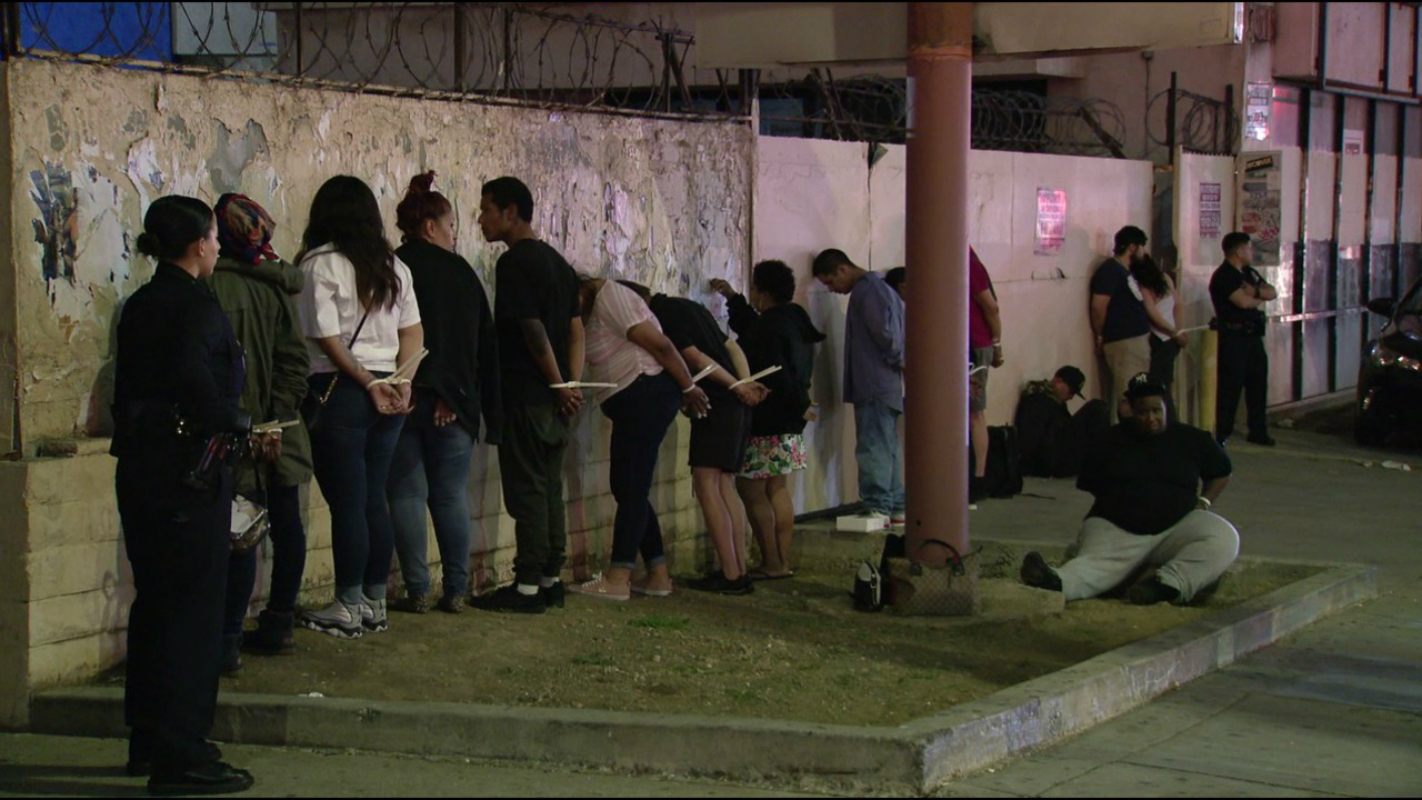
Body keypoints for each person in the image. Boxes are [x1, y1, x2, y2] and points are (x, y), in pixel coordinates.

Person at [112, 195, 255, 793]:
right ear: (198, 243)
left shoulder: (141, 304)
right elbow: (197, 382)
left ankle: (149, 737)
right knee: (193, 611)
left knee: (155, 604)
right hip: (188, 472)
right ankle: (182, 752)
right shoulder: (196, 307)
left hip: (143, 471)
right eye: (216, 236)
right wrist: (238, 422)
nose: (220, 245)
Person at [296, 176, 424, 639]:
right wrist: (401, 381)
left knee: (347, 501)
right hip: (386, 388)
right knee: (373, 498)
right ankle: (374, 600)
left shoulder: (319, 265)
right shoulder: (393, 266)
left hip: (342, 390)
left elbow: (325, 339)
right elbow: (413, 331)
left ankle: (347, 603)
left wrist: (368, 382)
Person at [387, 172, 502, 615]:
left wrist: (410, 387)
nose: (456, 234)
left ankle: (416, 589)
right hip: (451, 403)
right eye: (452, 225)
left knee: (405, 493)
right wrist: (456, 398)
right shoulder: (460, 273)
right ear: (431, 226)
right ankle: (456, 588)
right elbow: (473, 342)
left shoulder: (392, 267)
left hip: (400, 397)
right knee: (451, 495)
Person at [1019, 373, 1238, 606]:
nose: (1151, 418)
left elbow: (1222, 471)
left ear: (1166, 408)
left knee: (1223, 537)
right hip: (1117, 528)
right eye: (1143, 412)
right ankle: (1052, 580)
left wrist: (1204, 502)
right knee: (1093, 569)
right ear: (1131, 411)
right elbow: (1089, 481)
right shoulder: (1109, 440)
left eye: (1157, 411)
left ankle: (1167, 585)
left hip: (1177, 524)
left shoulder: (1191, 438)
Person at [207, 194, 312, 672]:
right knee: (287, 525)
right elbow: (296, 359)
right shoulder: (276, 287)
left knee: (239, 532)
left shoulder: (209, 288)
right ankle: (281, 620)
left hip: (231, 431)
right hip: (280, 428)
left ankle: (226, 642)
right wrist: (279, 413)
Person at [471, 177, 583, 614]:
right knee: (549, 487)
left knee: (528, 492)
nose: (481, 219)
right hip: (556, 400)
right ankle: (551, 579)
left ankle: (528, 587)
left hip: (528, 395)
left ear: (510, 212)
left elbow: (532, 328)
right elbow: (575, 329)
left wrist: (557, 383)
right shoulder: (559, 263)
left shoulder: (515, 263)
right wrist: (569, 386)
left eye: (486, 210)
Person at [566, 277, 712, 601]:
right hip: (637, 399)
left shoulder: (609, 297)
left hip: (645, 392)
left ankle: (619, 576)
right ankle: (658, 574)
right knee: (628, 486)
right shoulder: (592, 309)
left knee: (631, 487)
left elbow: (660, 345)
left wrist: (689, 387)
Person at [623, 281, 769, 594]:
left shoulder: (663, 316)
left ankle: (730, 574)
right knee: (724, 484)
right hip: (733, 404)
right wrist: (743, 382)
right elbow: (731, 346)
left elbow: (694, 356)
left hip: (717, 402)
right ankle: (738, 571)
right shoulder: (688, 306)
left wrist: (736, 387)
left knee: (707, 484)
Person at [713, 263, 825, 581]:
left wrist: (799, 405)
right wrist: (734, 299)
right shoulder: (793, 320)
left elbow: (775, 366)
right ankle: (782, 560)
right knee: (777, 489)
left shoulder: (770, 328)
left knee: (752, 491)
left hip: (768, 418)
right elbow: (757, 328)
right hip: (790, 422)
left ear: (762, 291)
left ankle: (771, 562)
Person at [812, 249, 906, 525]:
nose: (832, 290)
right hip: (884, 384)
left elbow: (887, 336)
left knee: (873, 446)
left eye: (830, 282)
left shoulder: (868, 292)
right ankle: (895, 504)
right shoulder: (882, 289)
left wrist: (900, 360)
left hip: (874, 383)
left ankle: (877, 504)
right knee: (888, 446)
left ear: (843, 269)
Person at [1210, 232, 1277, 447]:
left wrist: (1256, 291)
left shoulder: (1249, 272)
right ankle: (1223, 432)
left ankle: (1257, 430)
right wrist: (1259, 296)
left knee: (1258, 385)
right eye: (1249, 248)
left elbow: (1272, 292)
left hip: (1253, 337)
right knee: (1230, 387)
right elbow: (1243, 302)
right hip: (1233, 338)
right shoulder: (1224, 276)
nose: (1252, 252)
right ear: (1238, 251)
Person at [1090, 226, 1153, 420]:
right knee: (1127, 393)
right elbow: (1098, 306)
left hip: (1136, 340)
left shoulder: (1125, 271)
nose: (1145, 252)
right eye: (1142, 246)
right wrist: (1100, 334)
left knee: (1138, 391)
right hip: (1124, 341)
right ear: (1132, 247)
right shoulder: (1110, 270)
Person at [966, 248, 1005, 501]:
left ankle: (978, 477)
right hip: (969, 342)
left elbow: (991, 306)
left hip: (975, 344)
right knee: (971, 412)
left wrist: (996, 342)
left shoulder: (969, 265)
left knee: (974, 412)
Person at [1133, 253, 1189, 419]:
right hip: (1172, 340)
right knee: (1166, 384)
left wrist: (1174, 332)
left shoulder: (1142, 286)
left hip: (1159, 338)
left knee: (1157, 386)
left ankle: (1168, 422)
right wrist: (1179, 331)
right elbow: (1178, 305)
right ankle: (1171, 421)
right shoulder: (1164, 278)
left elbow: (1153, 315)